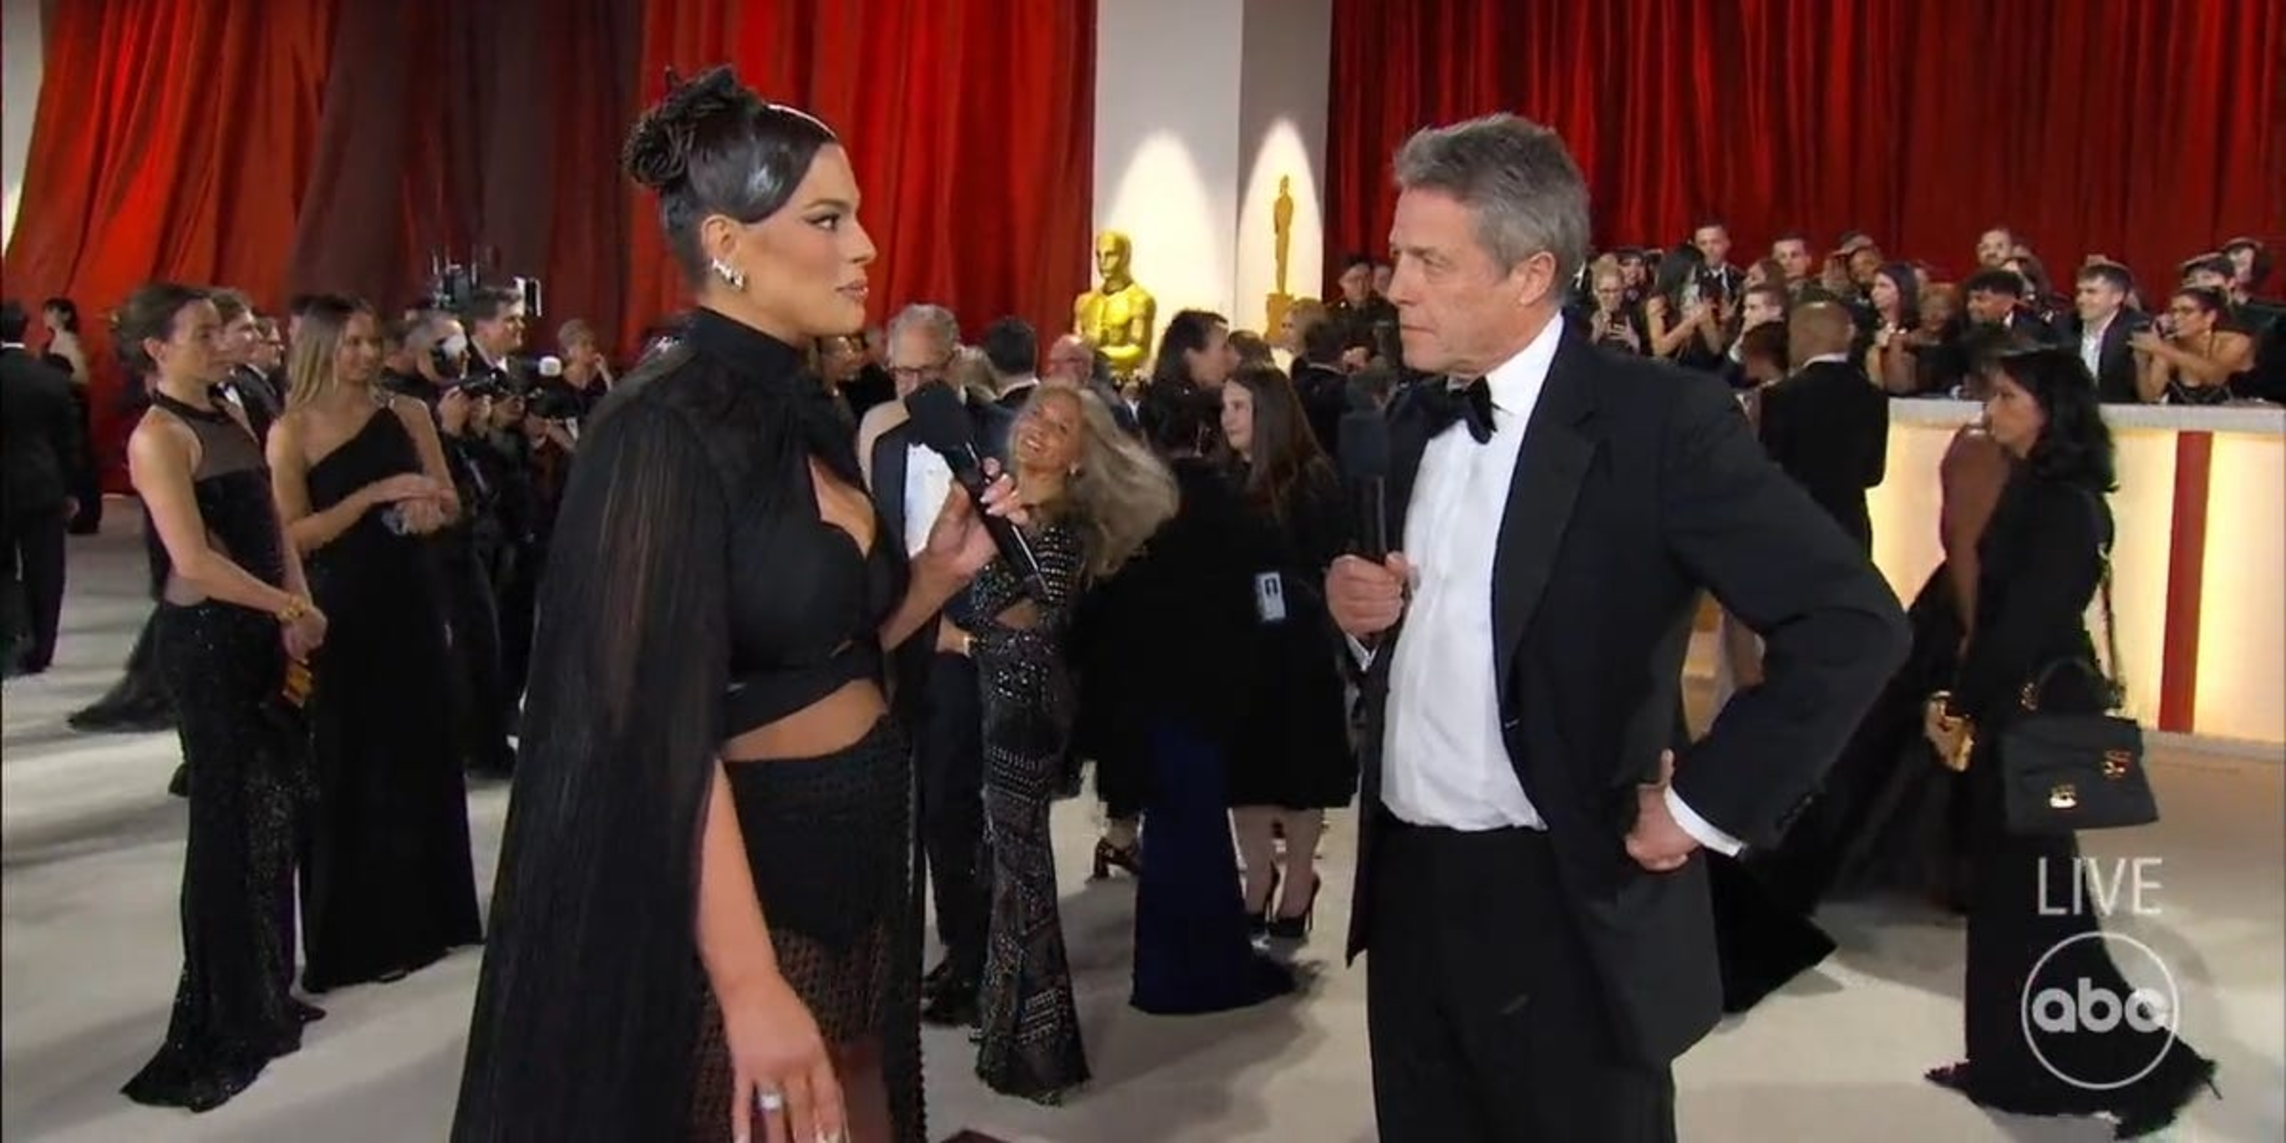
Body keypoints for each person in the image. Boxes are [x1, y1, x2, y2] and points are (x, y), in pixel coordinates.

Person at [452, 68, 1018, 1143]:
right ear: (727, 241)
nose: (865, 248)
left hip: (859, 860)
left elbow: (823, 654)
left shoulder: (805, 409)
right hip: (746, 886)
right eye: (827, 219)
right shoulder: (658, 431)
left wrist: (933, 581)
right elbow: (649, 729)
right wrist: (750, 980)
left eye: (855, 217)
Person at [1324, 114, 1908, 1141]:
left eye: (1429, 261)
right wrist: (1360, 620)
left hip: (1570, 898)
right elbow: (1440, 634)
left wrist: (1705, 806)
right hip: (1410, 890)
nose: (1396, 287)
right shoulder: (1408, 419)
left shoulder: (1660, 422)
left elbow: (1851, 622)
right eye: (1398, 255)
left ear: (1531, 273)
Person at [1923, 347, 2217, 1138]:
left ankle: (2128, 1067)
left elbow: (2025, 625)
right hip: (2016, 711)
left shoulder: (2061, 504)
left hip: (2030, 717)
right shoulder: (2037, 487)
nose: (1992, 408)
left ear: (2050, 410)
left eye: (2008, 397)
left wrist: (1963, 698)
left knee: (2035, 902)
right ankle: (2012, 1062)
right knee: (2021, 900)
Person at [113, 283, 328, 1111]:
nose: (220, 342)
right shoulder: (158, 436)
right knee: (227, 826)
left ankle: (265, 989)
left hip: (262, 629)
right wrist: (286, 608)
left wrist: (297, 603)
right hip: (207, 645)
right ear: (156, 349)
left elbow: (272, 526)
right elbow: (195, 561)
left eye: (217, 330)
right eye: (201, 333)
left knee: (273, 815)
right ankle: (227, 1008)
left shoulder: (232, 409)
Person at [268, 295, 483, 992]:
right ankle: (356, 937)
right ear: (320, 347)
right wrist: (371, 497)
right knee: (349, 764)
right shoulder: (292, 431)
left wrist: (427, 511)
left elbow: (450, 500)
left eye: (371, 341)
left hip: (411, 599)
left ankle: (430, 917)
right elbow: (292, 535)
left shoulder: (409, 413)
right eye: (351, 342)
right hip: (342, 610)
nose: (365, 355)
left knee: (418, 750)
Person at [968, 385, 1175, 1102]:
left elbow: (1030, 631)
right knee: (1001, 866)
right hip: (992, 705)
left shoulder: (1058, 530)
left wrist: (951, 636)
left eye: (1059, 428)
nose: (1038, 430)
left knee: (1021, 871)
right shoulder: (994, 504)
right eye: (1036, 415)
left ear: (1081, 456)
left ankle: (1040, 1052)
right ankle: (1002, 1022)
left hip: (1024, 715)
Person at [1, 299, 85, 675]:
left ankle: (7, 642)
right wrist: (71, 490)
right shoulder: (50, 378)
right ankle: (41, 651)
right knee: (46, 570)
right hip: (42, 484)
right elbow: (69, 441)